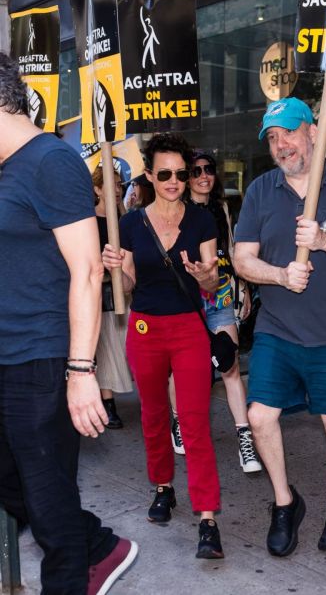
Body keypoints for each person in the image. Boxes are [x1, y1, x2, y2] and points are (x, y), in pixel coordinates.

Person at [0, 52, 137, 595]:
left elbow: (85, 271)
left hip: (41, 356)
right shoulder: (9, 169)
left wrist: (82, 372)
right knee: (22, 488)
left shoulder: (51, 160)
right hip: (5, 353)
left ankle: (79, 565)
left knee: (48, 503)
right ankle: (100, 545)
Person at [234, 96, 326, 558]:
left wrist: (322, 240)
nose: (281, 145)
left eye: (289, 133)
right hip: (278, 330)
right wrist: (280, 274)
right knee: (260, 417)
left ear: (313, 132)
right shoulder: (262, 190)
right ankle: (285, 502)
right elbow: (242, 259)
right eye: (274, 138)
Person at [102, 133, 224, 559]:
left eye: (182, 173)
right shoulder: (132, 224)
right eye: (166, 173)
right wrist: (118, 270)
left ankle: (207, 518)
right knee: (154, 416)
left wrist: (203, 275)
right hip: (145, 330)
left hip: (189, 327)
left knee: (194, 423)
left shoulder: (201, 220)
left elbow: (212, 281)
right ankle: (163, 487)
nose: (175, 181)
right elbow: (131, 284)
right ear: (151, 175)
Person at [169, 150, 262, 473]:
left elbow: (232, 248)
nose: (204, 176)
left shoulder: (222, 208)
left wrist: (243, 285)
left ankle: (244, 438)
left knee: (230, 365)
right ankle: (179, 420)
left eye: (209, 169)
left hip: (220, 296)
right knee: (180, 370)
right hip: (185, 300)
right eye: (196, 171)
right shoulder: (177, 210)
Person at [92, 166, 133, 429]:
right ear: (97, 189)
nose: (117, 190)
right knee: (107, 348)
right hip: (102, 292)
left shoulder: (126, 220)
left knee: (129, 345)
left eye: (119, 185)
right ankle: (108, 403)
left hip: (130, 290)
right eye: (111, 184)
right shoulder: (89, 222)